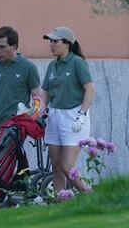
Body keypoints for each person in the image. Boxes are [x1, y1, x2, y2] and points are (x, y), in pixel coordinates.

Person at [41, 27, 94, 193]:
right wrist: (37, 111)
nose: (51, 44)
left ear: (67, 44)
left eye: (55, 41)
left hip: (74, 117)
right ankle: (61, 202)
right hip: (54, 116)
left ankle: (89, 193)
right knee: (56, 167)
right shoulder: (52, 66)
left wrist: (81, 115)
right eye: (50, 41)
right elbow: (45, 94)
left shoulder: (77, 62)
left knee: (67, 166)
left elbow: (90, 90)